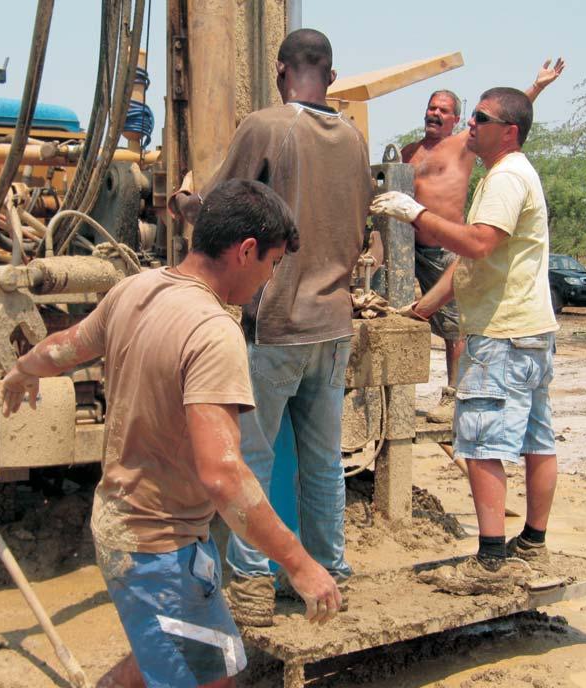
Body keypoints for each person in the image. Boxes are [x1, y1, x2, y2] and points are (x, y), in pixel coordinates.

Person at [0, 179, 341, 688]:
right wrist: (299, 562)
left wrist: (22, 370)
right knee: (210, 679)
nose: (270, 278)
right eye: (272, 264)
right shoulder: (212, 330)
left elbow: (67, 346)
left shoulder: (135, 289)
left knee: (183, 659)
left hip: (136, 528)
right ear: (246, 251)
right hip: (154, 546)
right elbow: (224, 474)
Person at [172, 28, 373, 627]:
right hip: (334, 324)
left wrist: (186, 206)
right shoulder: (357, 140)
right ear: (330, 76)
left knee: (250, 459)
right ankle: (327, 575)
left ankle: (255, 586)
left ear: (280, 70)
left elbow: (218, 208)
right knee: (323, 463)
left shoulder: (266, 126)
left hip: (278, 324)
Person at [371, 87, 558, 583]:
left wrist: (415, 215)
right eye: (470, 116)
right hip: (530, 330)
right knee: (537, 439)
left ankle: (491, 560)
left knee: (480, 443)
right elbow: (472, 263)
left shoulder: (506, 177)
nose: (470, 125)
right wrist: (421, 308)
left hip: (502, 335)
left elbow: (475, 244)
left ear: (509, 131)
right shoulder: (509, 175)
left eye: (480, 118)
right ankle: (533, 543)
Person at [400, 59, 565, 423]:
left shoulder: (462, 145)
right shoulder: (409, 151)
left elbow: (505, 117)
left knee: (453, 326)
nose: (435, 114)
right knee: (394, 316)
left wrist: (536, 86)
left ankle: (452, 393)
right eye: (431, 107)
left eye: (444, 110)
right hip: (406, 246)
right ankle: (392, 395)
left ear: (457, 121)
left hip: (447, 246)